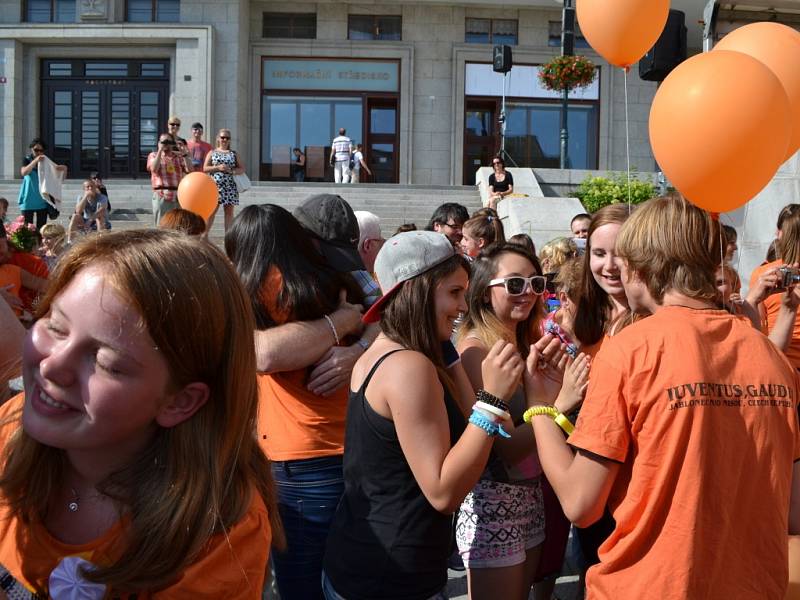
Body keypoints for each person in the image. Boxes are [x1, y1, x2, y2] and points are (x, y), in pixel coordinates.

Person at [527, 194, 800, 599]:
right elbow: (791, 510)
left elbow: (580, 504)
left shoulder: (630, 350)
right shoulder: (770, 356)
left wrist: (540, 407)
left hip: (647, 584)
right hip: (753, 584)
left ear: (640, 268)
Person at [0, 229, 282, 597]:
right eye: (55, 326)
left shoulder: (219, 531)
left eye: (106, 362)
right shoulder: (11, 429)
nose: (54, 367)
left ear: (178, 401)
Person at [323, 230, 530, 600]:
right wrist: (494, 400)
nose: (464, 306)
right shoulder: (408, 367)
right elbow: (443, 492)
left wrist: (453, 360)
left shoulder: (396, 350)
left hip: (371, 562)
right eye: (454, 292)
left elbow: (476, 429)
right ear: (416, 291)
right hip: (390, 578)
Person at [225, 204, 366, 600]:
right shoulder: (331, 284)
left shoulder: (273, 285)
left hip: (302, 460)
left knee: (301, 584)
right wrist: (343, 323)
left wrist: (359, 345)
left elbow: (262, 354)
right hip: (345, 449)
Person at [455, 243, 588, 600]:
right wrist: (560, 404)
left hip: (531, 496)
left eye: (535, 283)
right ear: (485, 292)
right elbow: (507, 449)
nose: (528, 293)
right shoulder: (476, 351)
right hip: (493, 502)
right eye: (515, 284)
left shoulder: (527, 341)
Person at [19, 138, 67, 231]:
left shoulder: (47, 162)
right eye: (36, 150)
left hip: (43, 200)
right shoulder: (27, 160)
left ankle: (40, 245)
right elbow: (24, 172)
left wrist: (64, 169)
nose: (39, 152)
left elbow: (59, 179)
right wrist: (35, 161)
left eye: (41, 150)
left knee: (41, 230)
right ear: (31, 149)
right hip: (28, 200)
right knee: (27, 229)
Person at [203, 128, 244, 234]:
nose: (224, 139)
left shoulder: (234, 154)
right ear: (218, 138)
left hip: (230, 187)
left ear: (230, 140)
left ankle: (228, 237)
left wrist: (231, 170)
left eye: (227, 138)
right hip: (215, 187)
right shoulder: (212, 152)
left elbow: (242, 169)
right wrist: (218, 168)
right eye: (222, 137)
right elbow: (205, 168)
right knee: (212, 211)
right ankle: (204, 236)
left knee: (229, 213)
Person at [147, 133, 190, 226]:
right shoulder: (153, 155)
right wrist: (160, 150)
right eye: (164, 142)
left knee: (177, 227)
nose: (167, 144)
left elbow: (190, 170)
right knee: (161, 226)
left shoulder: (178, 157)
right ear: (159, 143)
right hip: (162, 195)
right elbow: (154, 169)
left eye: (169, 142)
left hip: (178, 196)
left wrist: (185, 154)